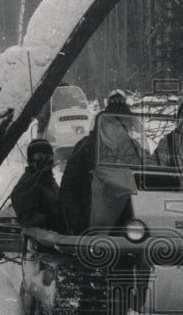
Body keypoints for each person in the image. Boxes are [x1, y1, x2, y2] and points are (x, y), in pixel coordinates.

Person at [60, 91, 146, 234]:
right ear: (104, 123)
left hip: (132, 222)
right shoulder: (86, 147)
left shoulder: (136, 149)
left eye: (124, 123)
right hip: (93, 218)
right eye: (113, 121)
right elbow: (69, 188)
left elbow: (149, 177)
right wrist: (76, 219)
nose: (120, 127)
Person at [10, 138, 67, 231]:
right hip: (41, 241)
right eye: (39, 156)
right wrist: (49, 221)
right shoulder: (27, 184)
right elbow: (26, 218)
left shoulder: (49, 181)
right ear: (31, 159)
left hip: (55, 238)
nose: (46, 160)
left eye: (49, 156)